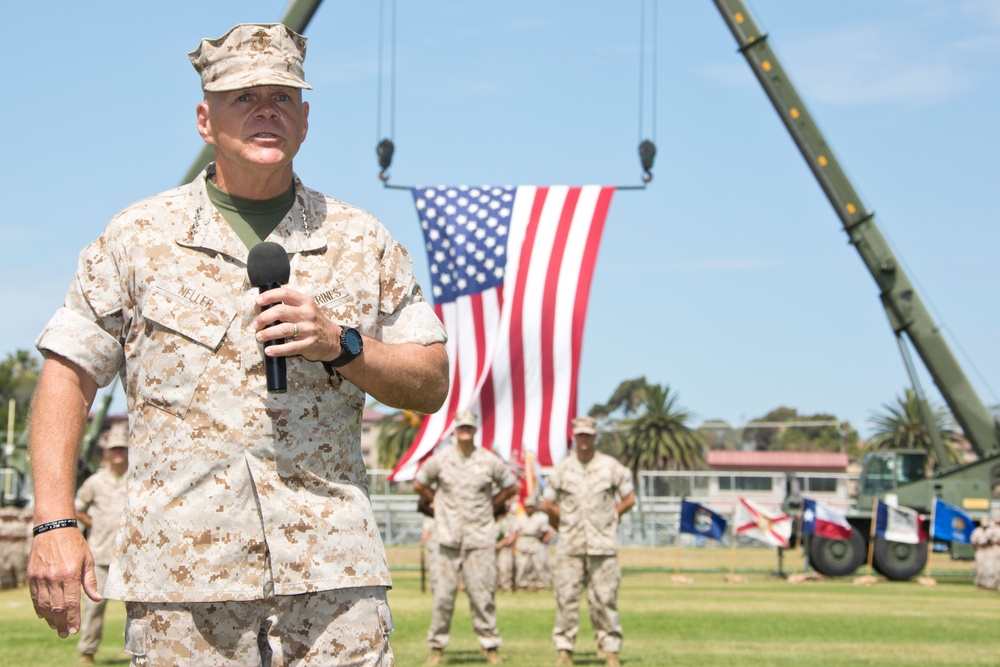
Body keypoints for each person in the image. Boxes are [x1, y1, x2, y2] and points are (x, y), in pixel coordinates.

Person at [27, 23, 449, 667]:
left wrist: (341, 343)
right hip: (183, 583)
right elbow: (68, 374)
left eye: (282, 96)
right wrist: (55, 520)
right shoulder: (138, 236)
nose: (265, 110)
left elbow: (431, 380)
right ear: (205, 118)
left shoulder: (362, 241)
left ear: (304, 120)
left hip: (332, 580)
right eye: (242, 96)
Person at [413, 410, 519, 666]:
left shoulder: (488, 460)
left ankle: (489, 645)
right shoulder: (441, 459)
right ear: (454, 430)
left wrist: (492, 504)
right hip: (446, 537)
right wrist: (435, 499)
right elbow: (419, 483)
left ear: (475, 430)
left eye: (469, 428)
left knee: (483, 596)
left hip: (479, 537)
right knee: (443, 597)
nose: (465, 432)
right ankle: (437, 647)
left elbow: (511, 486)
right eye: (462, 428)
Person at [540, 417, 635, 667]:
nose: (583, 440)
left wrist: (611, 515)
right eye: (580, 435)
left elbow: (629, 498)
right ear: (574, 437)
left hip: (602, 545)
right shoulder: (562, 469)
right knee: (566, 598)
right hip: (570, 546)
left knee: (604, 599)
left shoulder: (610, 467)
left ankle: (610, 649)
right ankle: (564, 649)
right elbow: (547, 503)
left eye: (588, 435)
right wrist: (564, 521)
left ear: (595, 437)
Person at [74, 435, 129, 666]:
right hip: (101, 552)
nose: (118, 453)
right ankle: (87, 652)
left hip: (133, 554)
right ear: (106, 452)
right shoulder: (95, 482)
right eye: (113, 449)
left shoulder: (137, 477)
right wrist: (93, 524)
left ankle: (136, 649)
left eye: (122, 449)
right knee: (94, 606)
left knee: (139, 608)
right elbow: (78, 508)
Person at [513, 497, 555, 591]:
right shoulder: (520, 517)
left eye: (531, 507)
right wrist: (515, 544)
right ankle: (522, 585)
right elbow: (516, 532)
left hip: (535, 540)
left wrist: (542, 540)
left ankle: (542, 585)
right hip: (523, 540)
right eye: (528, 507)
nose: (529, 509)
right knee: (522, 565)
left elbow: (545, 531)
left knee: (539, 564)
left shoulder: (541, 517)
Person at [494, 504, 518, 593]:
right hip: (492, 547)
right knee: (493, 568)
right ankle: (496, 587)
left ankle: (506, 587)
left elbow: (508, 537)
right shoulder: (491, 520)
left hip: (503, 547)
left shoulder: (506, 521)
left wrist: (499, 545)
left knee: (504, 567)